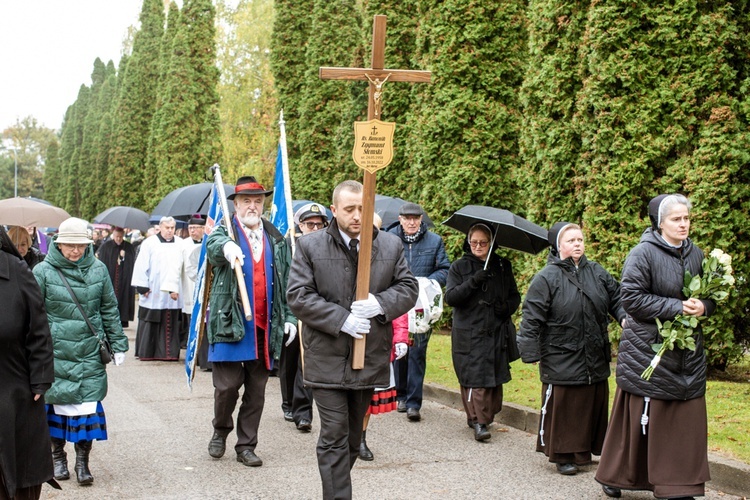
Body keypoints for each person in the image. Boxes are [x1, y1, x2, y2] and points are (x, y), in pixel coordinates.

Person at [287, 180, 418, 500]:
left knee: (354, 442)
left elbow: (408, 288)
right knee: (333, 437)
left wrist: (381, 303)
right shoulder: (310, 246)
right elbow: (298, 295)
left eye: (363, 208)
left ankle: (334, 487)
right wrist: (341, 319)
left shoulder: (388, 245)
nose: (357, 216)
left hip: (367, 357)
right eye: (349, 209)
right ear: (334, 211)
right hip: (326, 358)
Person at [596, 194, 716, 499]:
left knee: (684, 420)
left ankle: (679, 484)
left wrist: (704, 306)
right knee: (638, 421)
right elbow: (631, 300)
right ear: (660, 223)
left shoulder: (697, 254)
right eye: (676, 219)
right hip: (647, 352)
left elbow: (712, 298)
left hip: (687, 355)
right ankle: (616, 475)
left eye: (686, 218)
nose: (683, 224)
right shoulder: (643, 254)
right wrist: (677, 307)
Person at [517, 222, 625, 475]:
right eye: (571, 240)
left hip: (593, 351)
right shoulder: (546, 277)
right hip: (560, 353)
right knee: (566, 405)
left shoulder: (596, 271)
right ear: (558, 245)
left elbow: (617, 298)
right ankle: (563, 454)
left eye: (580, 239)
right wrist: (530, 351)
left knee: (590, 401)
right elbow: (532, 316)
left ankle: (585, 449)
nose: (577, 244)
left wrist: (624, 317)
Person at [205, 176, 297, 468]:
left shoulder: (275, 237)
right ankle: (220, 430)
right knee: (227, 387)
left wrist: (290, 317)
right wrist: (226, 249)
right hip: (230, 323)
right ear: (235, 204)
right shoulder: (225, 231)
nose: (253, 206)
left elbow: (287, 281)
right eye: (247, 201)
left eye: (258, 201)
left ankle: (246, 445)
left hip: (264, 326)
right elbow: (213, 246)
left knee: (256, 392)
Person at [32, 217, 129, 486]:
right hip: (56, 352)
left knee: (86, 409)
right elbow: (34, 315)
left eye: (81, 246)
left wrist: (118, 344)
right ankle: (58, 458)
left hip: (88, 351)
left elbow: (109, 308)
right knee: (56, 408)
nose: (76, 251)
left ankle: (83, 462)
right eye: (70, 245)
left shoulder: (98, 269)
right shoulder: (42, 272)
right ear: (59, 244)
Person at [444, 223, 521, 441]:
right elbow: (451, 298)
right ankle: (479, 421)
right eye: (474, 242)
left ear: (491, 243)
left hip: (496, 330)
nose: (478, 246)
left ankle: (483, 416)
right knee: (474, 375)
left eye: (483, 242)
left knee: (493, 377)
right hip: (470, 331)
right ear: (468, 243)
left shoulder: (502, 266)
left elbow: (515, 296)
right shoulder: (459, 267)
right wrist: (474, 282)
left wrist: (505, 307)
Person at [0, 226, 59, 500]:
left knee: (19, 470)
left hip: (13, 387)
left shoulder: (16, 270)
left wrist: (41, 376)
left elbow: (39, 330)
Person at [388, 202, 450, 422]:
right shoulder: (389, 239)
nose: (412, 222)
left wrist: (429, 282)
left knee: (418, 352)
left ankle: (414, 403)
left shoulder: (434, 241)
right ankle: (400, 395)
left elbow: (445, 269)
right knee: (399, 349)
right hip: (398, 302)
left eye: (416, 218)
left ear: (421, 219)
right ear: (400, 218)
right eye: (408, 218)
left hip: (422, 305)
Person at [279, 202, 328, 431]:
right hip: (293, 312)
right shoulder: (291, 248)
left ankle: (303, 413)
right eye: (310, 224)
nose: (315, 229)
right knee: (291, 362)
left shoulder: (330, 248)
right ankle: (293, 405)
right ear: (301, 226)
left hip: (319, 313)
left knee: (307, 363)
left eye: (319, 225)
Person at [131, 216, 183, 361]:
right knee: (151, 320)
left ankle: (170, 353)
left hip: (172, 292)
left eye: (172, 228)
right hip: (153, 289)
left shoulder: (180, 243)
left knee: (171, 321)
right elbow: (141, 265)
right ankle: (148, 352)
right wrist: (142, 286)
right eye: (167, 228)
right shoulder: (150, 243)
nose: (170, 231)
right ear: (160, 227)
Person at [97, 227, 136, 328]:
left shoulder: (128, 247)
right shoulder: (106, 246)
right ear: (113, 236)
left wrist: (124, 256)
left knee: (123, 298)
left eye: (120, 237)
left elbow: (132, 263)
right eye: (116, 237)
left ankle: (123, 319)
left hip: (124, 278)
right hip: (111, 277)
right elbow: (102, 262)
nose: (118, 239)